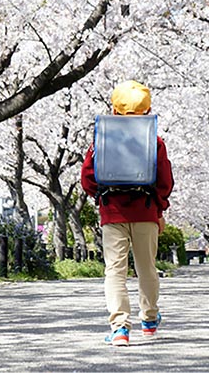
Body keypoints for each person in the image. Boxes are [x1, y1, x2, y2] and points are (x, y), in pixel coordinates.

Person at [81, 80, 174, 347]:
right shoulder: (154, 142)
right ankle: (149, 319)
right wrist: (159, 207)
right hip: (146, 213)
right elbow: (165, 181)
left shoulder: (102, 139)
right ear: (148, 109)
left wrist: (103, 198)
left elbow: (87, 178)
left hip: (112, 214)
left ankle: (120, 328)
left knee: (115, 272)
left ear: (114, 108)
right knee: (147, 268)